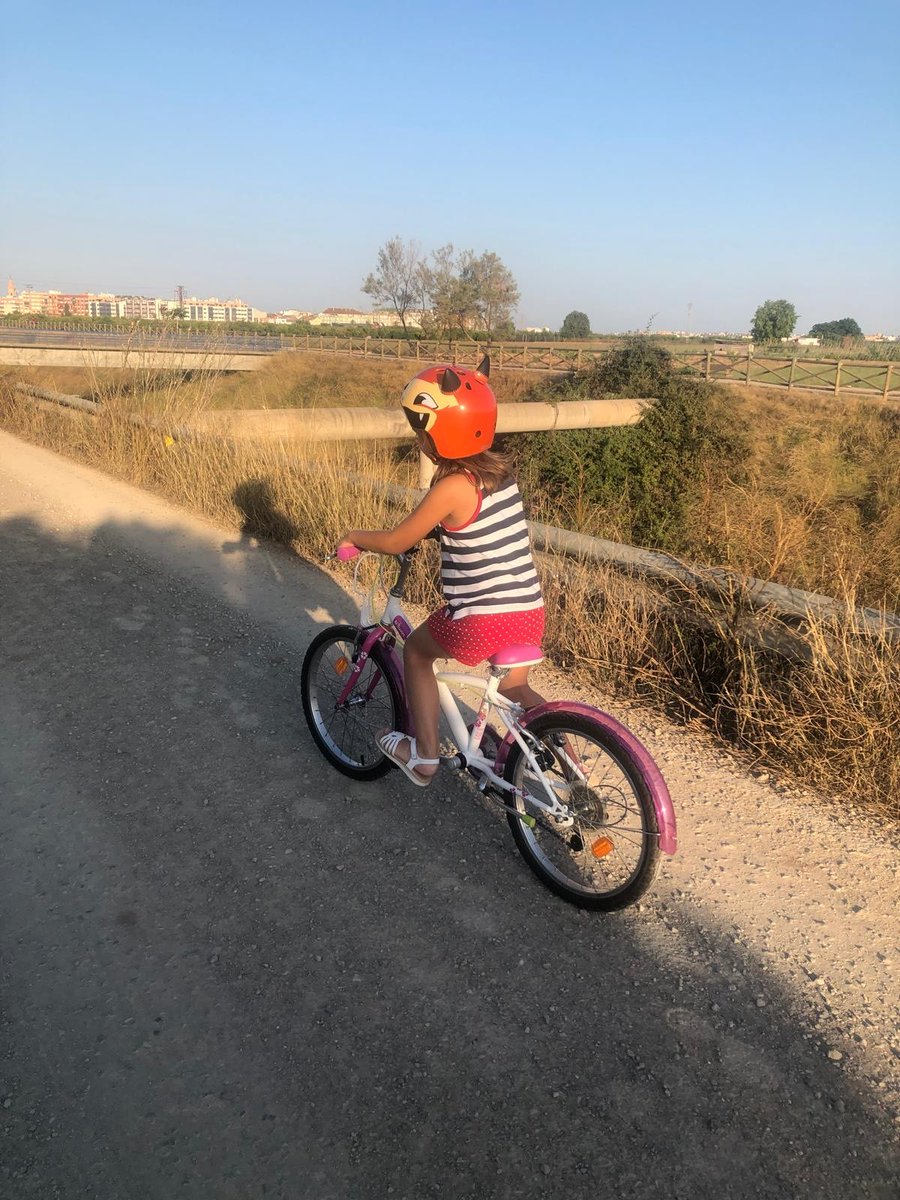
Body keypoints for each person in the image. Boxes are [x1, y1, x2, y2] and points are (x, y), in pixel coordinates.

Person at [338, 355, 545, 786]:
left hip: (482, 618)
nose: (419, 438)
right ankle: (559, 751)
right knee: (514, 690)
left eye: (421, 428)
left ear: (439, 432)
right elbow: (477, 527)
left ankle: (424, 757)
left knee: (415, 651)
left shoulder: (452, 485)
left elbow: (397, 540)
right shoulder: (500, 474)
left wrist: (355, 537)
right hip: (527, 609)